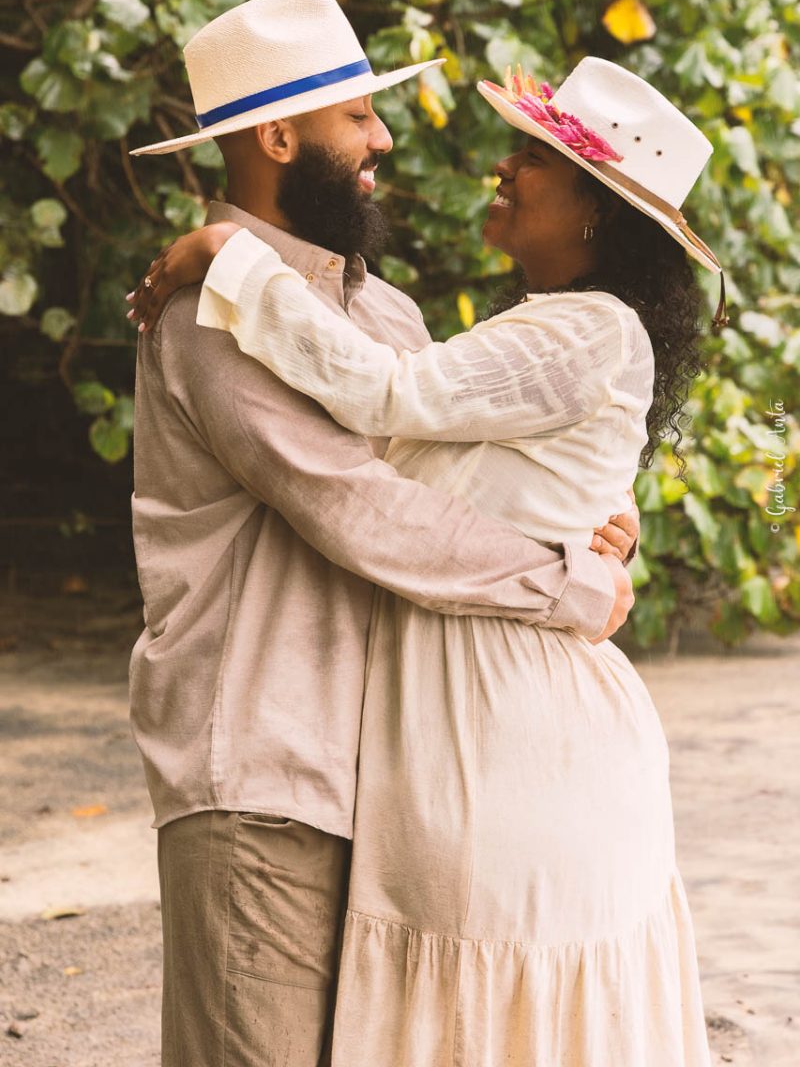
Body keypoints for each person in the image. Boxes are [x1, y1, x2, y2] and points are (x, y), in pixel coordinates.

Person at [129, 54, 725, 1064]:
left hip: (419, 761)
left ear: (593, 210)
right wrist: (567, 573)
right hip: (269, 761)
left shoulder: (388, 320)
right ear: (277, 139)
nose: (387, 138)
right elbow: (359, 510)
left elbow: (434, 456)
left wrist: (591, 512)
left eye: (526, 157)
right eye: (359, 116)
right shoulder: (209, 305)